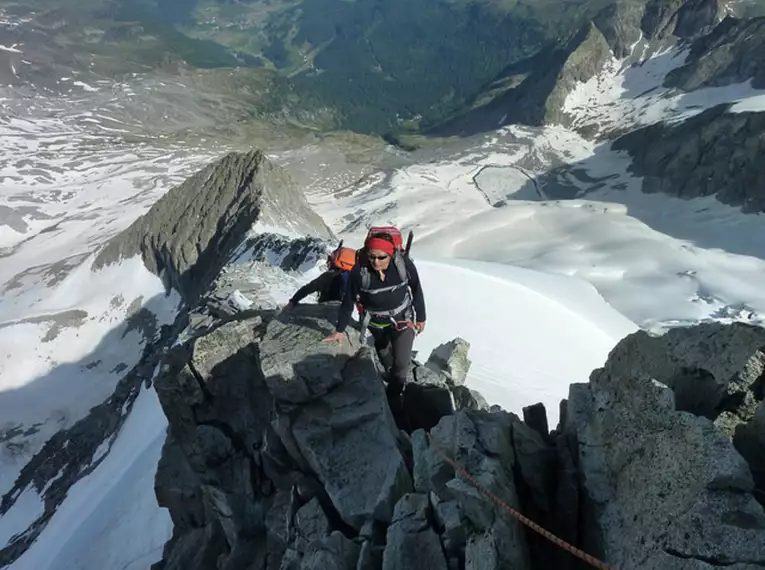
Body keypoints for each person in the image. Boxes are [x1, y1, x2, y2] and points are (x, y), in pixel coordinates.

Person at [323, 232, 426, 407]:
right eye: (371, 256)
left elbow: (416, 288)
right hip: (376, 323)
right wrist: (339, 330)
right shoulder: (359, 272)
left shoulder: (404, 266)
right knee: (383, 349)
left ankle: (393, 399)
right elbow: (348, 301)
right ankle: (390, 374)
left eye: (381, 257)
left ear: (392, 254)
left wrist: (421, 317)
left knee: (401, 366)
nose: (376, 262)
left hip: (403, 321)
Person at [283, 247, 356, 311]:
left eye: (330, 259)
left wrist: (292, 302)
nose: (327, 262)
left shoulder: (328, 276)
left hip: (325, 310)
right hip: (344, 314)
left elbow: (308, 288)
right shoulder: (354, 278)